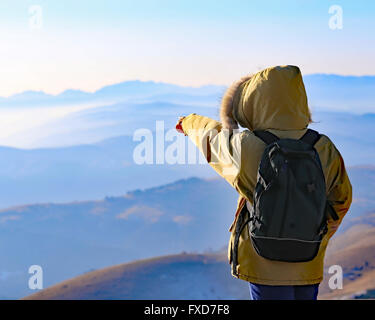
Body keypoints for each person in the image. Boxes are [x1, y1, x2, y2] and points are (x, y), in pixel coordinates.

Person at [176, 65, 352, 300]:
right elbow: (342, 199)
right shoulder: (323, 147)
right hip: (309, 260)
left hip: (262, 260)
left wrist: (189, 122)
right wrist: (318, 232)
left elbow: (212, 139)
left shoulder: (247, 146)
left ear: (253, 103)